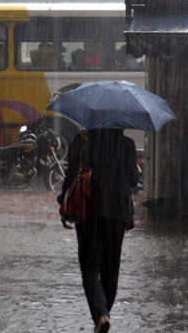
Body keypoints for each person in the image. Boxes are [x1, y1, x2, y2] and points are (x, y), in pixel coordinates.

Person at [57, 129, 138, 333]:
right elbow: (134, 180)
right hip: (117, 212)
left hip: (88, 209)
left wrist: (64, 204)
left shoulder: (82, 140)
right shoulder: (126, 144)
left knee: (90, 266)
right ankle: (104, 315)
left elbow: (71, 176)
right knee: (111, 269)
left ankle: (101, 314)